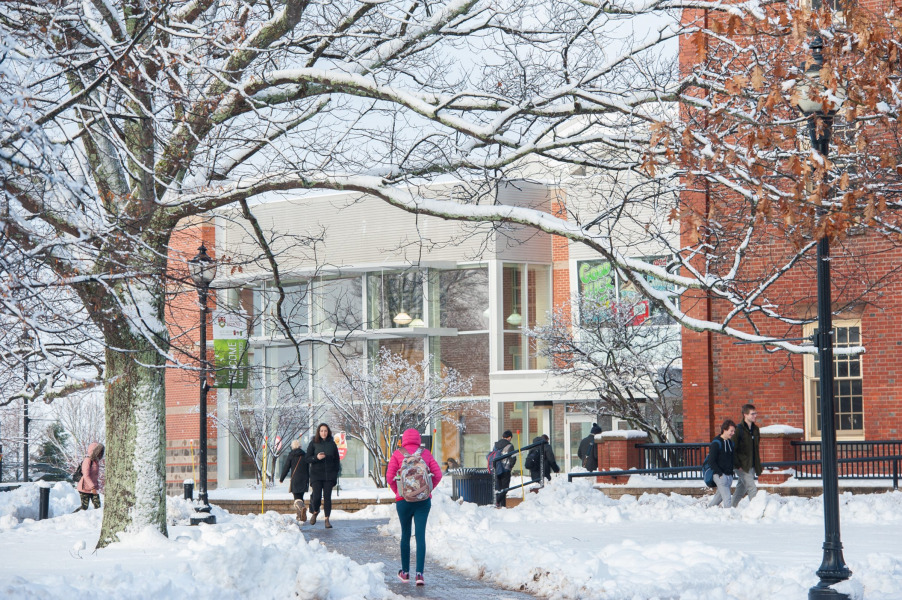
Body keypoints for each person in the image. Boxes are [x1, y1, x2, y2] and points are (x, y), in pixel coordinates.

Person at [386, 428, 442, 587]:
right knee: (420, 535)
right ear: (418, 439)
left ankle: (405, 573)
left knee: (405, 534)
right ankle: (419, 574)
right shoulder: (425, 454)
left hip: (403, 501)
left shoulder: (398, 454)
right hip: (423, 502)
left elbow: (389, 477)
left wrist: (399, 492)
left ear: (403, 439)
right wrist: (427, 490)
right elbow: (438, 474)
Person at [305, 423, 340, 528]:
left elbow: (337, 461)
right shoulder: (313, 443)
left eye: (325, 431)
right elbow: (307, 458)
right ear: (318, 432)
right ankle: (315, 512)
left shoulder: (332, 444)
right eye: (321, 431)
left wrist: (335, 473)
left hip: (329, 475)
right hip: (316, 475)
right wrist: (316, 458)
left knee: (327, 497)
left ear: (328, 432)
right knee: (316, 497)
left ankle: (327, 520)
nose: (323, 433)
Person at [731, 404, 762, 507]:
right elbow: (732, 448)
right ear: (745, 415)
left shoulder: (756, 430)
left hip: (751, 465)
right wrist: (737, 464)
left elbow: (755, 449)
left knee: (741, 488)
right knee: (751, 487)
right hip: (741, 465)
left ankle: (730, 508)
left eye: (755, 413)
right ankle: (756, 509)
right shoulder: (738, 430)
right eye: (752, 414)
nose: (755, 416)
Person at [706, 420, 736, 508]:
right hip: (720, 475)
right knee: (727, 498)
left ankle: (708, 510)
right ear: (724, 430)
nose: (733, 433)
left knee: (718, 498)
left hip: (729, 475)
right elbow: (711, 461)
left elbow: (732, 459)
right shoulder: (716, 443)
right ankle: (729, 516)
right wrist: (719, 473)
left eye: (734, 431)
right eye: (731, 431)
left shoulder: (731, 443)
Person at [279, 439, 310, 523]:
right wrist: (308, 479)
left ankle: (301, 511)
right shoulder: (305, 455)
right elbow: (308, 468)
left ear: (293, 447)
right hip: (304, 479)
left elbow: (286, 467)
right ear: (300, 446)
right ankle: (300, 516)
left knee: (296, 498)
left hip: (295, 479)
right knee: (301, 497)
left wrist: (282, 478)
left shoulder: (291, 455)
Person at [73, 442, 104, 513]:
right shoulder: (87, 460)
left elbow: (95, 476)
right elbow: (86, 475)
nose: (100, 454)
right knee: (84, 507)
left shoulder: (96, 462)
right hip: (84, 488)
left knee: (98, 506)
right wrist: (92, 487)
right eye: (99, 452)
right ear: (94, 451)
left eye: (101, 452)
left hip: (93, 488)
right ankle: (71, 517)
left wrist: (95, 487)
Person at [492, 430, 516, 507]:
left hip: (497, 468)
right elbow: (513, 458)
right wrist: (511, 466)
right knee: (505, 488)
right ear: (509, 437)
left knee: (499, 488)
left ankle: (501, 505)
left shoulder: (495, 446)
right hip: (506, 469)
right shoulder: (510, 446)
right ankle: (497, 501)